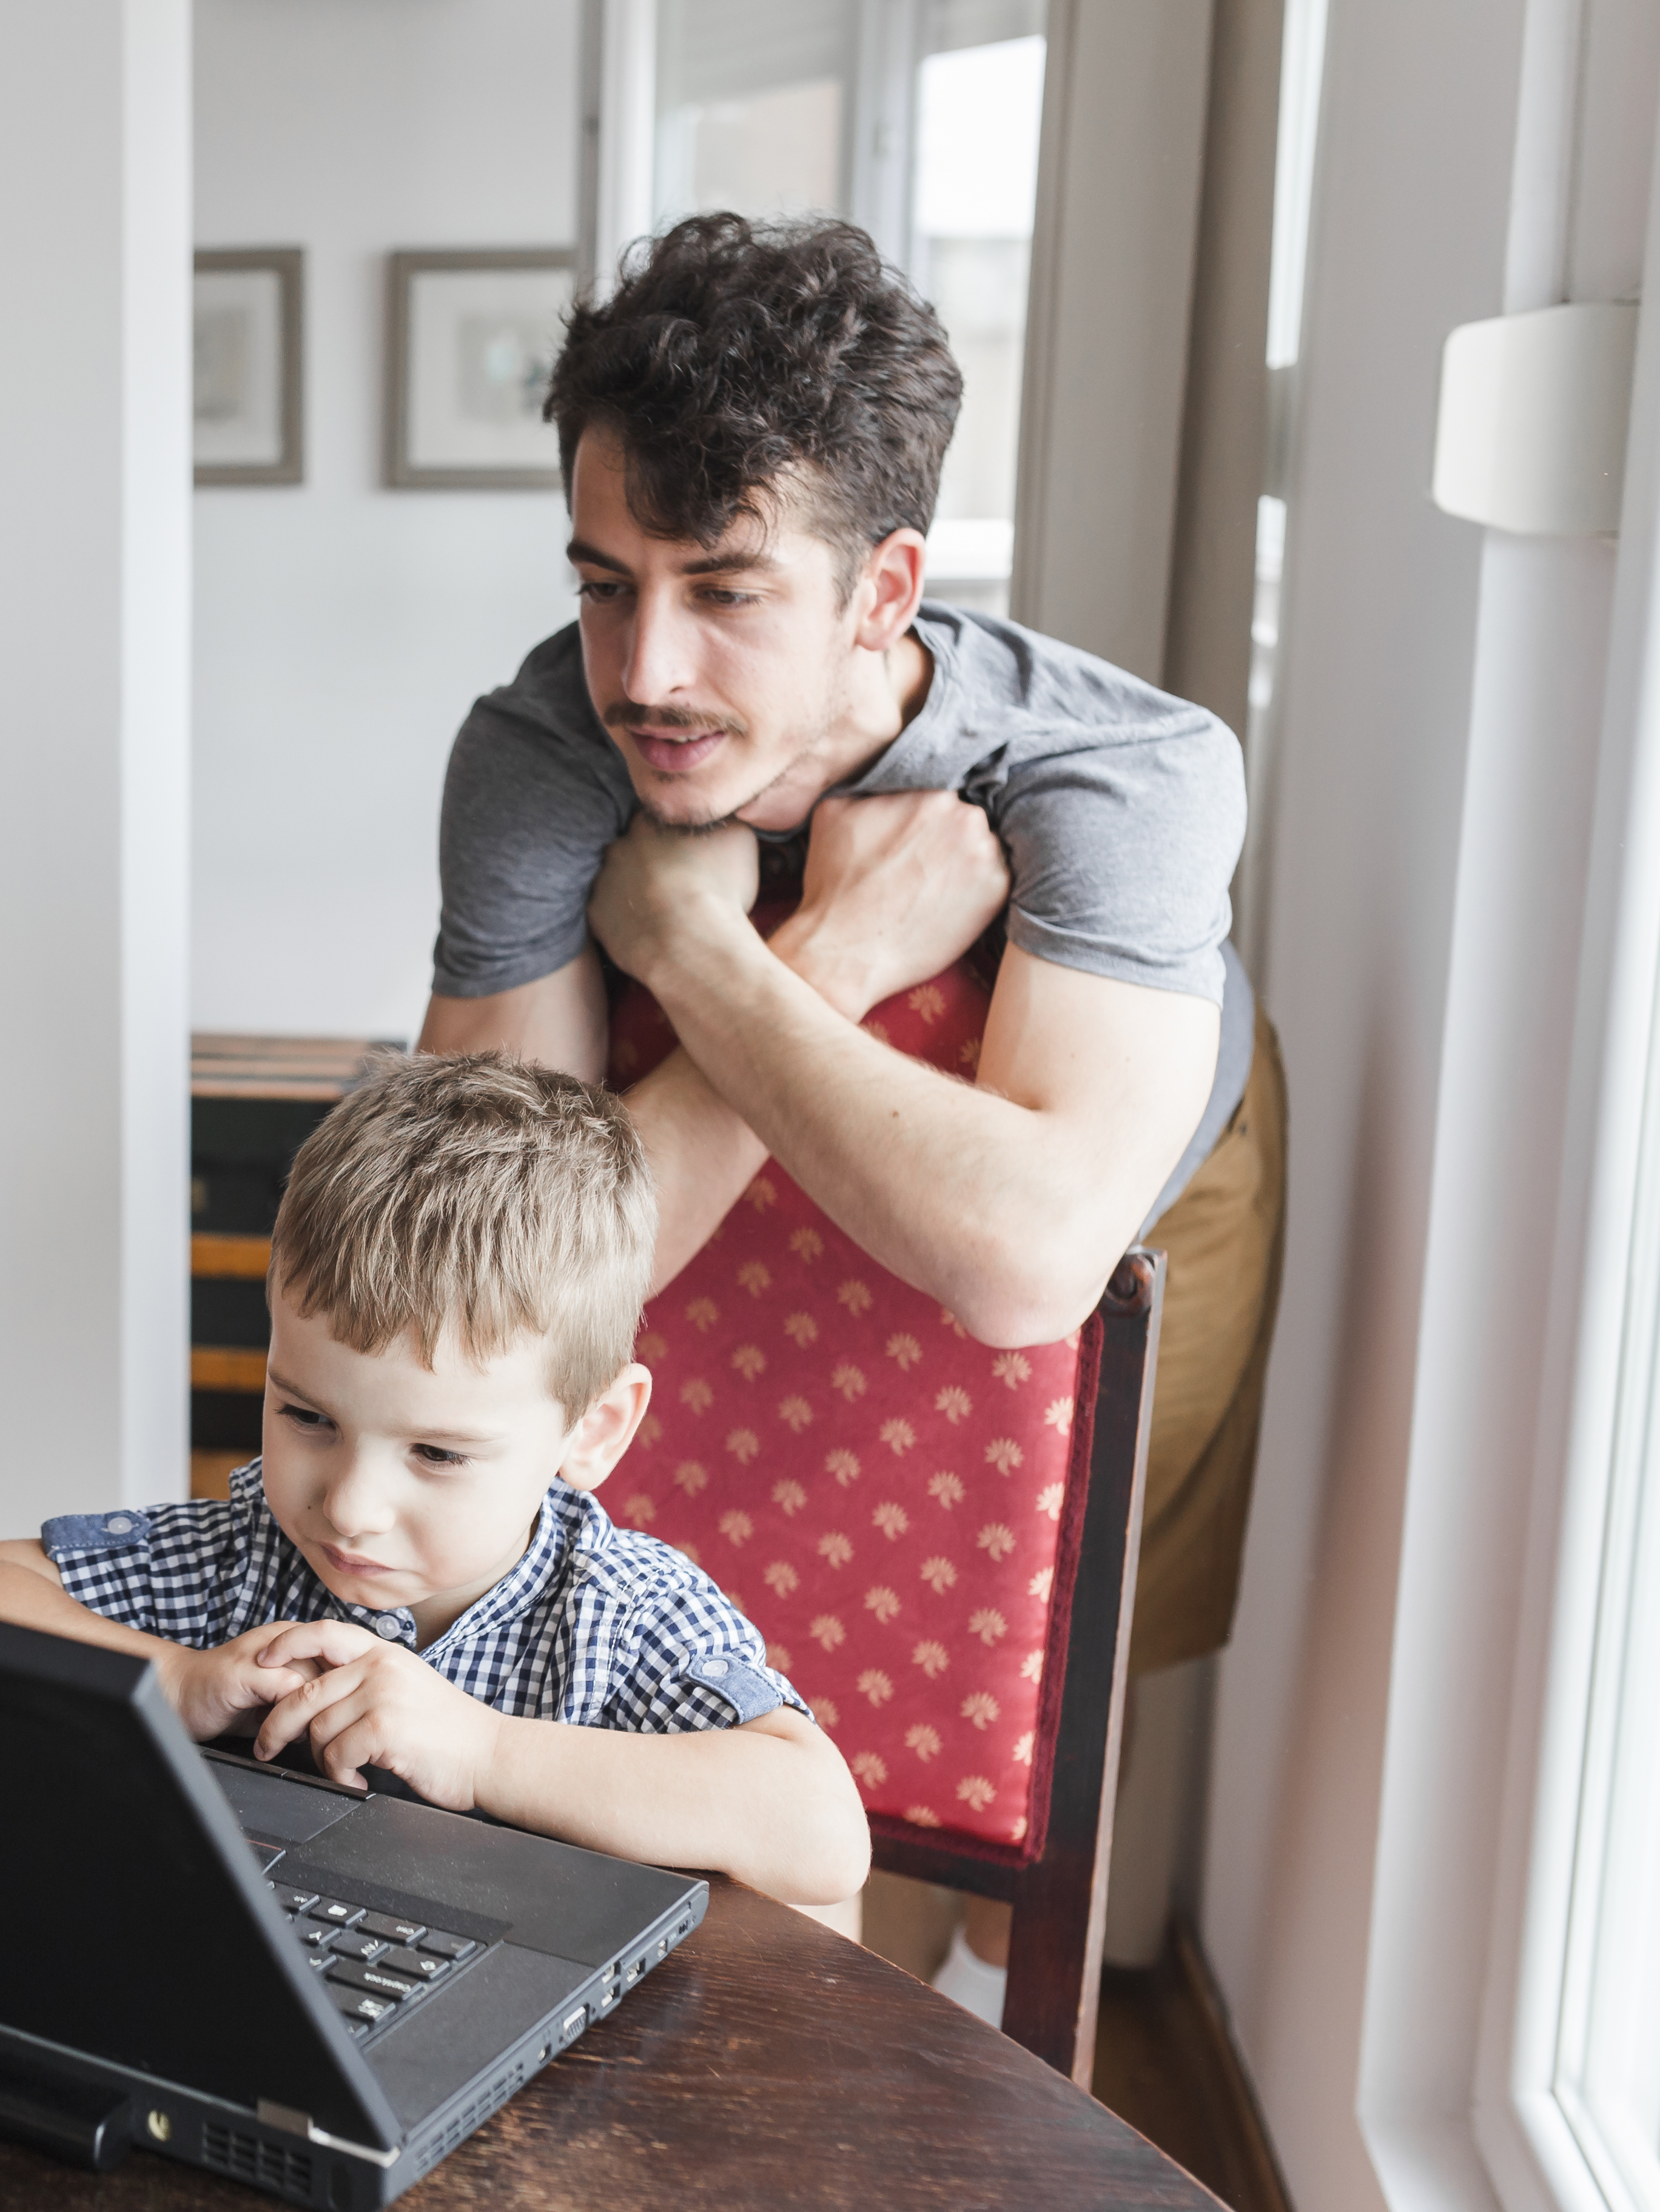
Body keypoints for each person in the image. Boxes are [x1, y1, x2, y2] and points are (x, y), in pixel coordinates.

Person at [418, 214, 1286, 2014]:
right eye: (603, 580)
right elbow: (485, 1291)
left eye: (724, 589)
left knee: (1004, 1730)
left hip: (1146, 1211)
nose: (643, 669)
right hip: (745, 1222)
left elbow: (1032, 1259)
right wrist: (834, 956)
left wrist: (703, 962)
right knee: (737, 1784)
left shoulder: (1122, 771)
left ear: (887, 591)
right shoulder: (538, 748)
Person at [0, 1052, 869, 1906]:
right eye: (307, 1418)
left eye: (437, 1454)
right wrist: (174, 1678)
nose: (349, 1507)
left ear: (594, 1430)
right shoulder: (238, 1561)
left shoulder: (618, 1615)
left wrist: (483, 1750)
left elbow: (821, 1831)